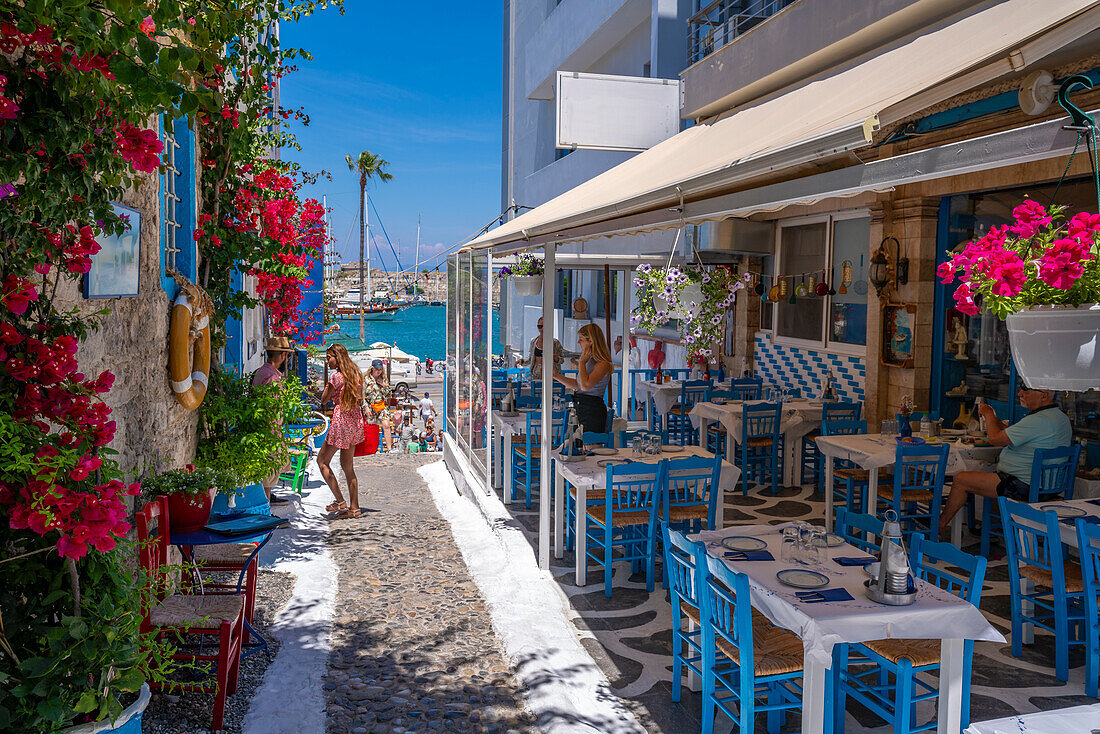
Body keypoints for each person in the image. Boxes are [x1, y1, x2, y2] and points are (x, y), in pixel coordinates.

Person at [938, 386, 1073, 535]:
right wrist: (995, 421)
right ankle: (997, 530)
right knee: (991, 474)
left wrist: (988, 414)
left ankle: (940, 524)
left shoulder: (1038, 420)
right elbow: (1011, 433)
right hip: (1049, 486)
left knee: (961, 479)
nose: (1020, 393)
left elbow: (995, 439)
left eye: (1026, 391)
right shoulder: (1059, 417)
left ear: (1044, 396)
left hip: (1023, 486)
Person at [318, 344, 365, 519]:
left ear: (337, 357)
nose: (326, 360)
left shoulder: (336, 377)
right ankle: (354, 508)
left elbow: (324, 400)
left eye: (328, 357)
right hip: (354, 420)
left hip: (341, 421)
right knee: (348, 467)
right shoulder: (355, 374)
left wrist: (327, 389)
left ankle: (339, 501)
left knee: (322, 460)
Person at [251, 336, 295, 506]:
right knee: (269, 471)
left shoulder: (261, 372)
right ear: (283, 355)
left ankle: (267, 500)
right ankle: (266, 507)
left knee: (268, 470)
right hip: (269, 430)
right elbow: (273, 409)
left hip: (260, 428)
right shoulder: (272, 378)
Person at [553, 323, 613, 433]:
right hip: (580, 407)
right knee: (576, 445)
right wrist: (557, 376)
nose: (578, 342)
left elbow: (585, 386)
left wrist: (581, 362)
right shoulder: (590, 361)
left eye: (581, 339)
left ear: (591, 341)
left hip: (592, 410)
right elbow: (578, 385)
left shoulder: (602, 364)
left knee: (591, 447)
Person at [363, 359, 392, 451]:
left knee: (386, 425)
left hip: (382, 405)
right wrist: (366, 407)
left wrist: (383, 385)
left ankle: (389, 449)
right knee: (372, 428)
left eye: (380, 369)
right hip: (370, 406)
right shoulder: (366, 379)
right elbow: (361, 395)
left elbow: (388, 395)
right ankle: (372, 448)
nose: (379, 371)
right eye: (377, 369)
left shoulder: (383, 379)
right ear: (372, 368)